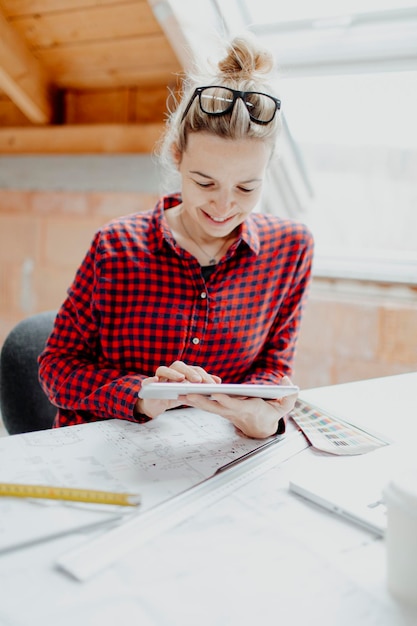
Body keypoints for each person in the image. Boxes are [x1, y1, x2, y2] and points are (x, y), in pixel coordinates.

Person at [38, 35, 314, 439]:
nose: (223, 207)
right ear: (177, 156)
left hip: (213, 457)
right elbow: (57, 368)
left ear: (268, 171)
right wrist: (140, 395)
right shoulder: (116, 246)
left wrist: (263, 415)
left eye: (246, 188)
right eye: (205, 182)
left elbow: (274, 368)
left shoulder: (291, 250)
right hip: (106, 453)